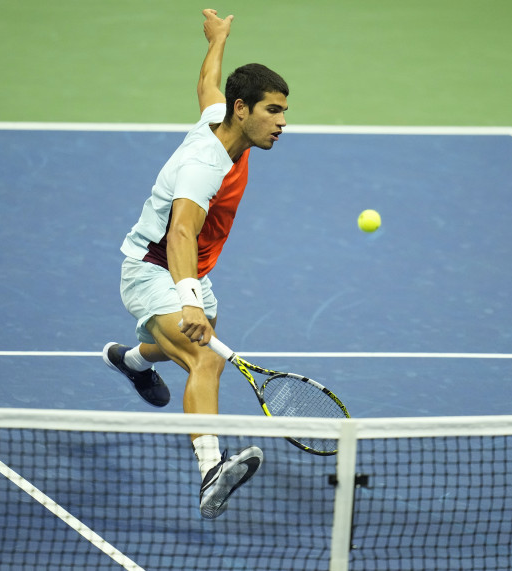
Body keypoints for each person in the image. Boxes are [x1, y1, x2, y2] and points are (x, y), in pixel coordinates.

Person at [102, 8, 289, 520]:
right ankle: (211, 470)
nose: (283, 122)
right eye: (273, 111)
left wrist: (218, 38)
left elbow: (208, 83)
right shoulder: (202, 167)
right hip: (152, 270)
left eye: (283, 111)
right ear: (243, 109)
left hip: (190, 271)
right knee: (203, 359)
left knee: (194, 346)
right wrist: (187, 300)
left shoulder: (222, 121)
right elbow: (181, 231)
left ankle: (132, 361)